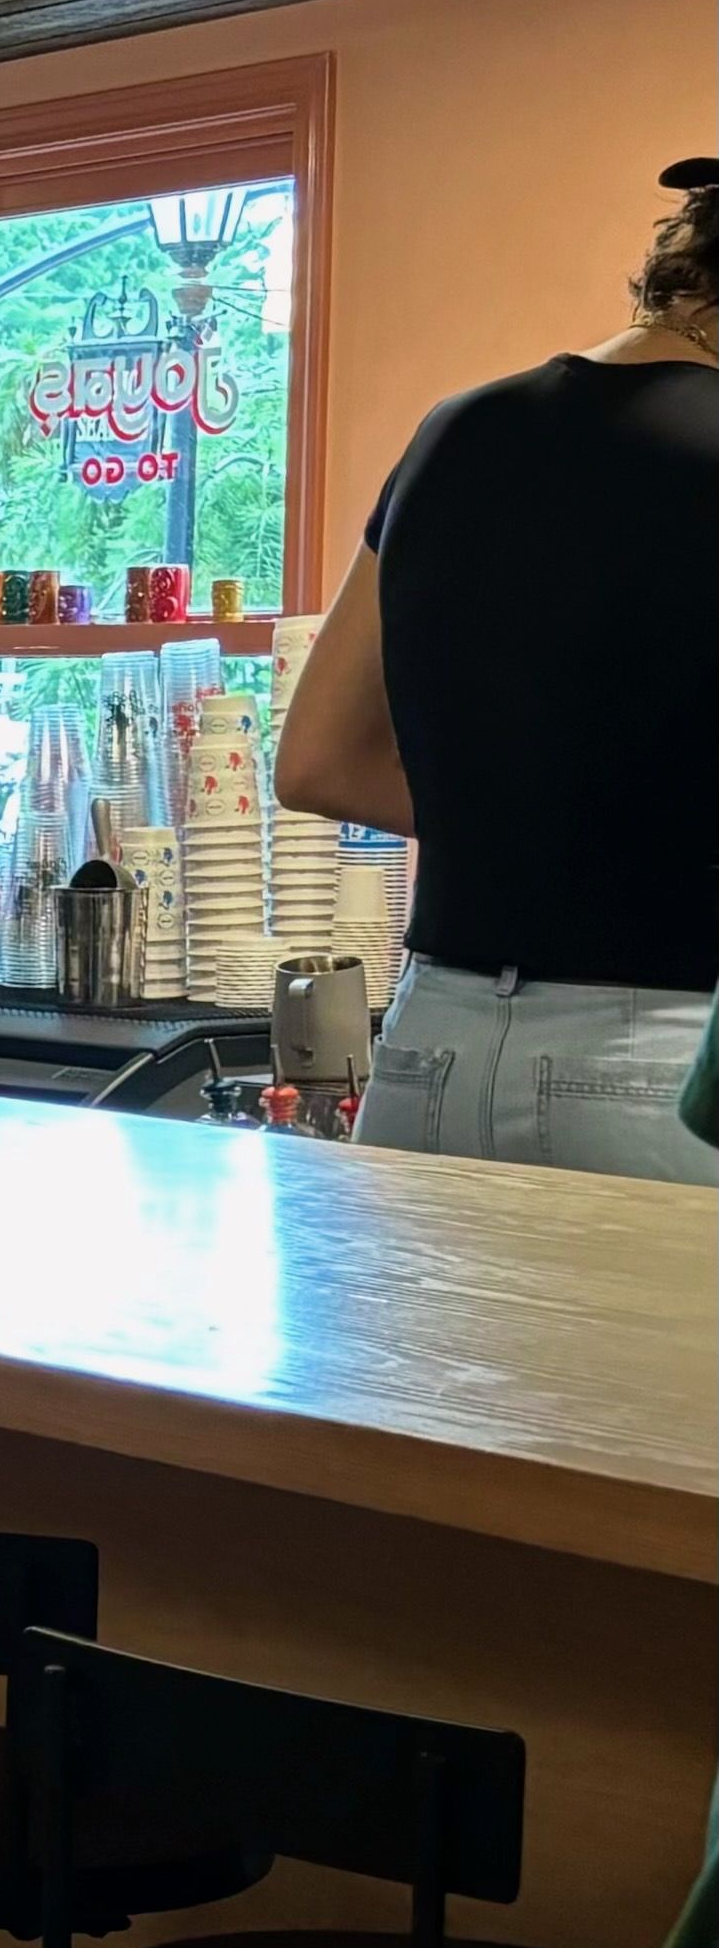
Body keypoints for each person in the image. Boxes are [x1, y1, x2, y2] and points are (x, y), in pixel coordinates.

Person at [277, 157, 719, 1183]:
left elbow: (316, 762)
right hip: (665, 1063)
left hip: (425, 1054)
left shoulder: (452, 431)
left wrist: (527, 831)